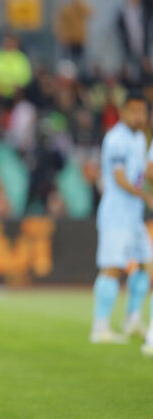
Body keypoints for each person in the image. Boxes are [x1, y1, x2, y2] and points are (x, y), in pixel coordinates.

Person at [91, 92, 153, 344]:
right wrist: (146, 196)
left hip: (134, 215)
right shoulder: (115, 139)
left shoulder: (139, 138)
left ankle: (132, 319)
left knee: (144, 262)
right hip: (116, 214)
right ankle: (100, 327)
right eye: (134, 111)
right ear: (124, 112)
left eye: (143, 111)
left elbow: (145, 171)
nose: (140, 115)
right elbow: (119, 178)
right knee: (113, 268)